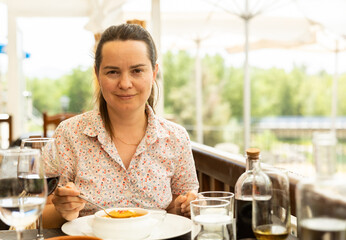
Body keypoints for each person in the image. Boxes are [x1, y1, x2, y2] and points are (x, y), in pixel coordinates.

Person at [42, 23, 199, 228]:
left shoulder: (176, 138)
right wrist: (63, 211)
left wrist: (183, 207)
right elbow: (36, 217)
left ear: (154, 72)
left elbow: (177, 211)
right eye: (113, 72)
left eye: (137, 71)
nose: (125, 83)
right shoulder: (69, 134)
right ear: (97, 74)